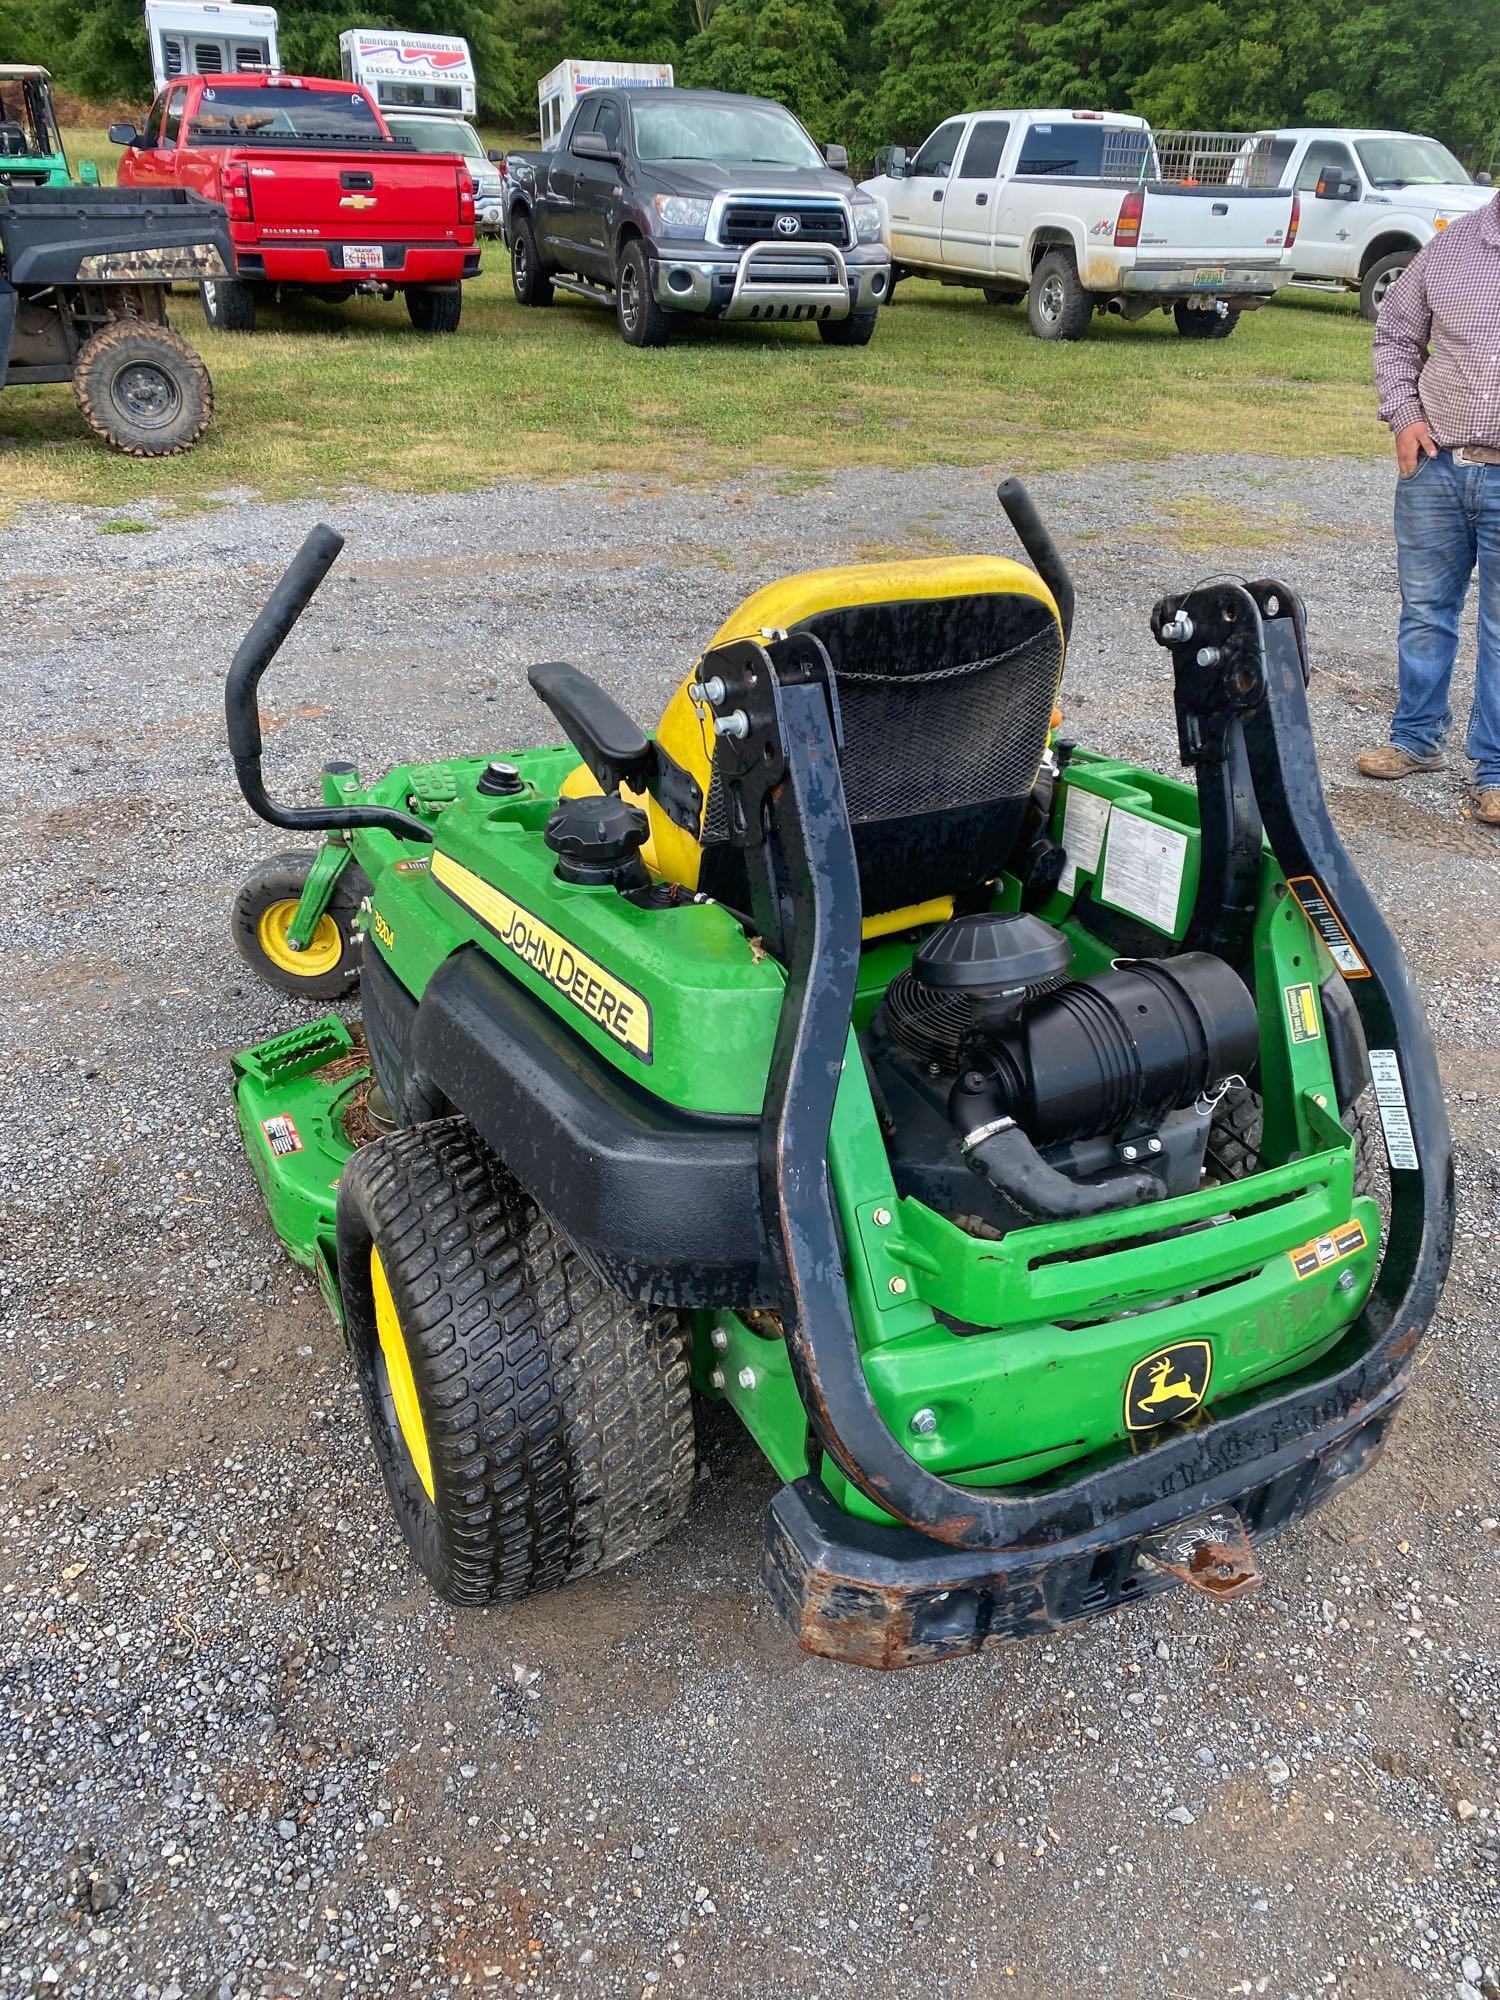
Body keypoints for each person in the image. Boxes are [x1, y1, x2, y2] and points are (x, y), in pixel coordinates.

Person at [1365, 190, 1500, 825]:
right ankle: (1416, 739)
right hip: (1437, 465)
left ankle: (1495, 769)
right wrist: (1404, 418)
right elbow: (1394, 334)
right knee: (1425, 612)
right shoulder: (1452, 247)